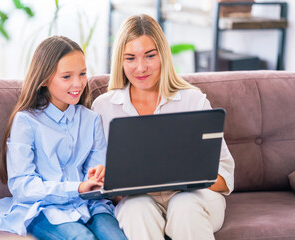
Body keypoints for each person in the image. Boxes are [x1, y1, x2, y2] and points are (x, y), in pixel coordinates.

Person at [0, 36, 127, 240]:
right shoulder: (26, 121)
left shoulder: (91, 119)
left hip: (89, 205)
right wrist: (77, 187)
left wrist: (98, 177)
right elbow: (23, 186)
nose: (78, 83)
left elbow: (95, 172)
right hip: (44, 208)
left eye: (82, 73)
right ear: (44, 79)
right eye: (66, 76)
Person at [92, 14, 235, 240]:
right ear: (120, 60)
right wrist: (115, 185)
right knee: (135, 209)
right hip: (137, 200)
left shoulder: (193, 101)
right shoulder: (103, 107)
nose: (140, 68)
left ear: (163, 56)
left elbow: (225, 178)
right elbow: (101, 183)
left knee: (184, 205)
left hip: (197, 197)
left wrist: (183, 179)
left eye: (150, 55)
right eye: (130, 58)